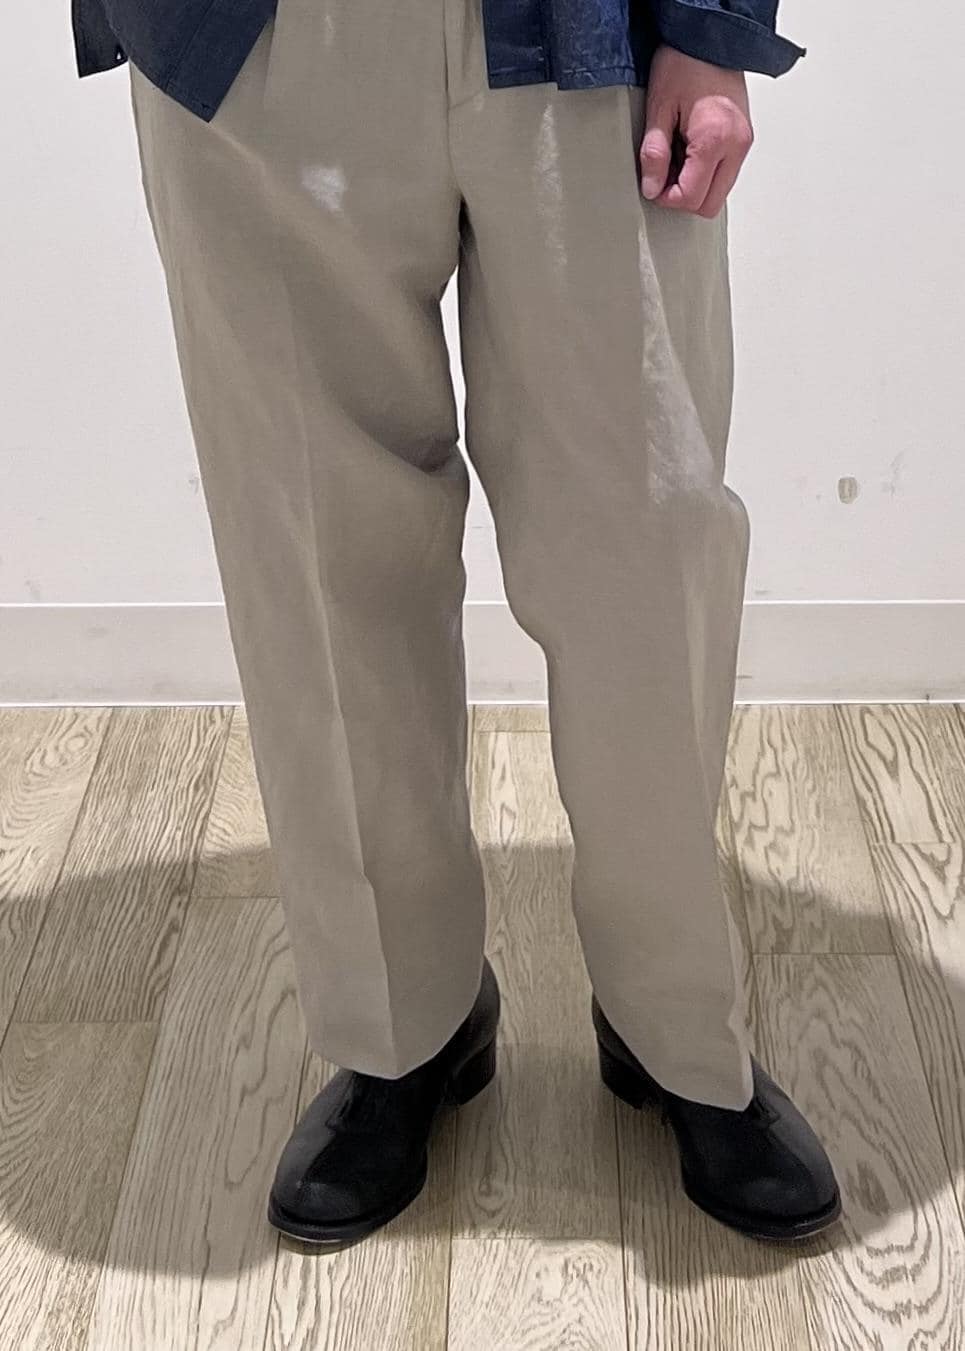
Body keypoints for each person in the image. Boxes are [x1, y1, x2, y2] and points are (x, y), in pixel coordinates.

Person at [71, 0, 841, 1246]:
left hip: (585, 30)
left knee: (644, 554)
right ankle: (400, 1027)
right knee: (317, 560)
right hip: (257, 45)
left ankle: (671, 1024)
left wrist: (711, 26)